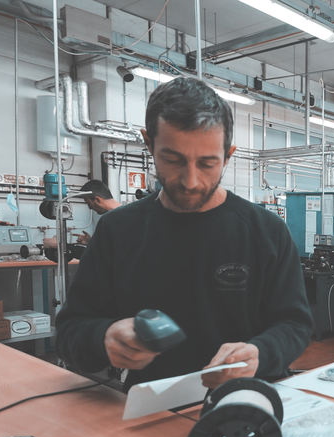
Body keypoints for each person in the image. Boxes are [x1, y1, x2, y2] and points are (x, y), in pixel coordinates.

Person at [56, 77, 313, 389]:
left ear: (228, 155)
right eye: (173, 160)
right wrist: (103, 338)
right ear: (149, 144)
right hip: (150, 406)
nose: (191, 181)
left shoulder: (267, 231)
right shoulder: (117, 230)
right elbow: (70, 331)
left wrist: (261, 352)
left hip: (246, 400)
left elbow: (295, 325)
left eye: (207, 164)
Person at [75, 180, 121, 244]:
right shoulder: (128, 213)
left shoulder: (108, 219)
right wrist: (90, 241)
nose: (90, 208)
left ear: (97, 199)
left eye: (88, 203)